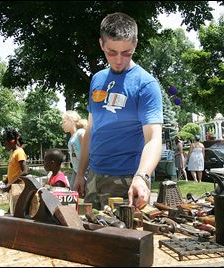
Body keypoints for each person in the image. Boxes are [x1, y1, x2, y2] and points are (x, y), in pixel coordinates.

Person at [74, 12, 163, 209]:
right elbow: (91, 128)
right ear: (101, 44)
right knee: (90, 235)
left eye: (127, 53)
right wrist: (80, 172)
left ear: (135, 44)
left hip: (128, 180)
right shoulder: (97, 79)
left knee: (122, 237)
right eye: (111, 52)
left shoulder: (146, 84)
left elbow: (154, 138)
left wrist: (141, 176)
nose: (119, 60)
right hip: (94, 176)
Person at [62, 110, 88, 190]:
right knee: (73, 193)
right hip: (76, 170)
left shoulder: (80, 133)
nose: (62, 125)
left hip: (86, 170)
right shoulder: (71, 138)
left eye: (64, 122)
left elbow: (88, 150)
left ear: (71, 121)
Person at [0, 128, 28, 192]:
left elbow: (25, 171)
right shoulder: (13, 153)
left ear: (12, 142)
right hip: (13, 187)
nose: (4, 146)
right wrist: (6, 180)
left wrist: (11, 184)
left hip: (18, 188)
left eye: (5, 143)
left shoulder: (19, 152)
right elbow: (13, 171)